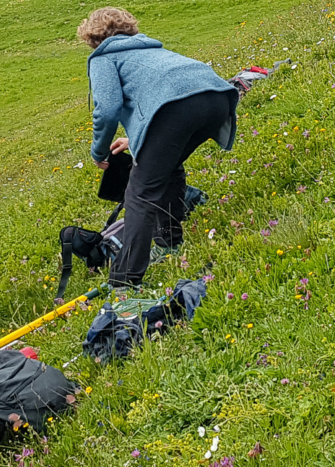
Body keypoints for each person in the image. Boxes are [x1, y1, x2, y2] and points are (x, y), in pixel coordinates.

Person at [79, 7, 238, 292]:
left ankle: (124, 280)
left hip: (177, 109)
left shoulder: (103, 57)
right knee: (168, 165)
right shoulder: (149, 47)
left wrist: (99, 152)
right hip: (217, 97)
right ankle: (169, 243)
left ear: (92, 39)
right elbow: (163, 93)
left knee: (139, 192)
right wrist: (135, 139)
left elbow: (107, 109)